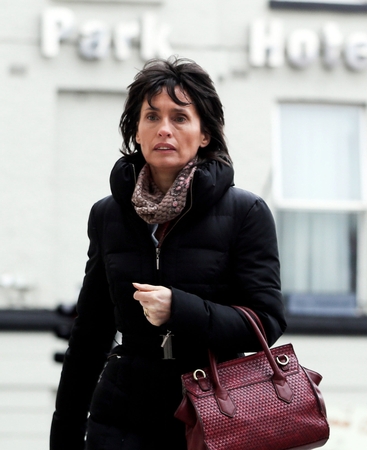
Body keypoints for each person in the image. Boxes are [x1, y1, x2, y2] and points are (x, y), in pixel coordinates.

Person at [49, 57, 286, 449]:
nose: (164, 129)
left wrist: (181, 308)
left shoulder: (246, 212)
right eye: (151, 117)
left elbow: (267, 320)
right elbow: (90, 336)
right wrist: (65, 435)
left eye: (180, 118)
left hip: (213, 413)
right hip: (120, 419)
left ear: (204, 133)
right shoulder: (108, 215)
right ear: (136, 132)